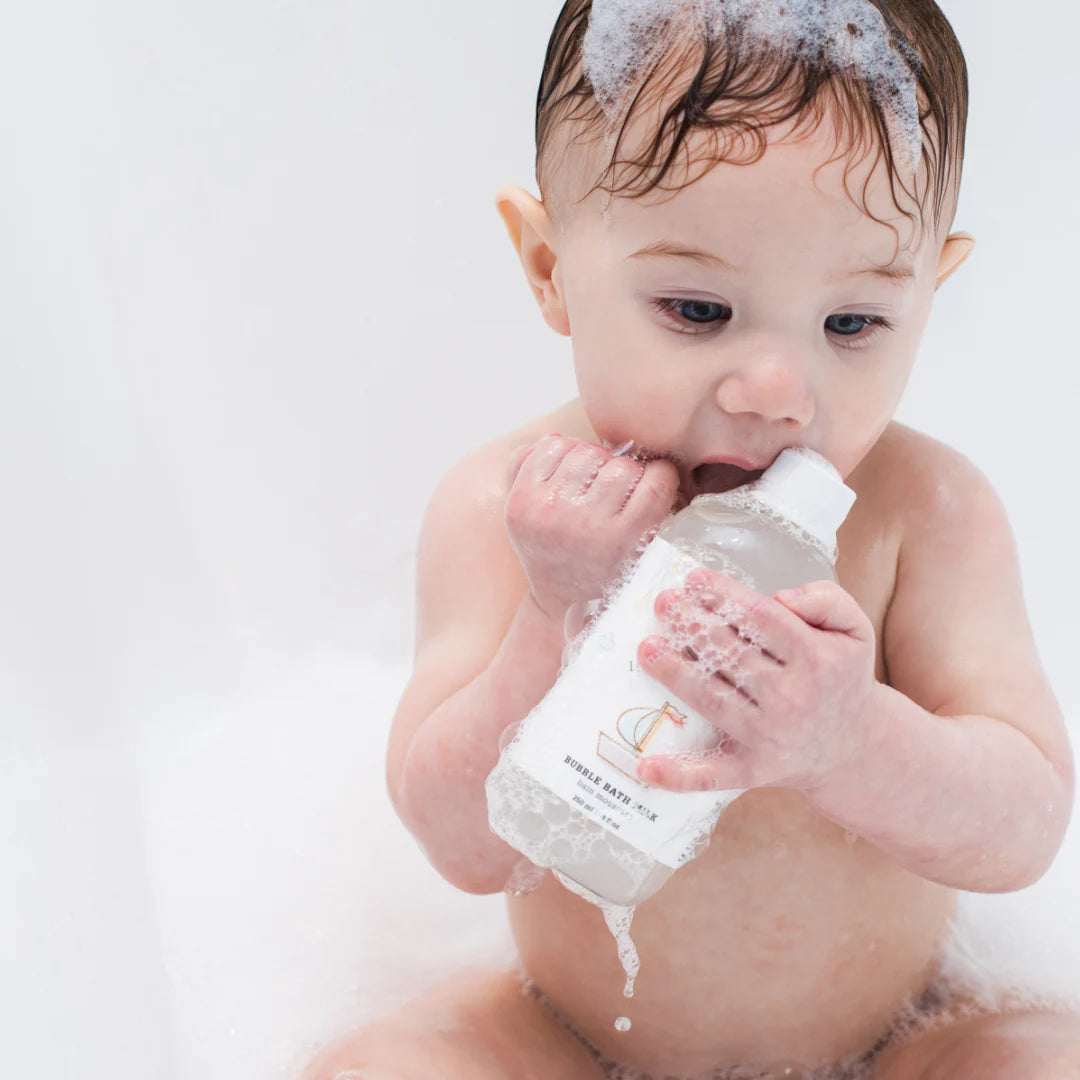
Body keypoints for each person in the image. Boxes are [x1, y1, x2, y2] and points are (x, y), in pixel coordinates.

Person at [305, 1, 1080, 1076]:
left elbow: (1026, 824)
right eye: (697, 310)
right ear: (548, 268)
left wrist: (850, 741)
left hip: (905, 1038)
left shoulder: (926, 514)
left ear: (928, 294)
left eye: (852, 324)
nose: (777, 393)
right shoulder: (504, 513)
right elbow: (459, 844)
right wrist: (555, 610)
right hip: (569, 1039)